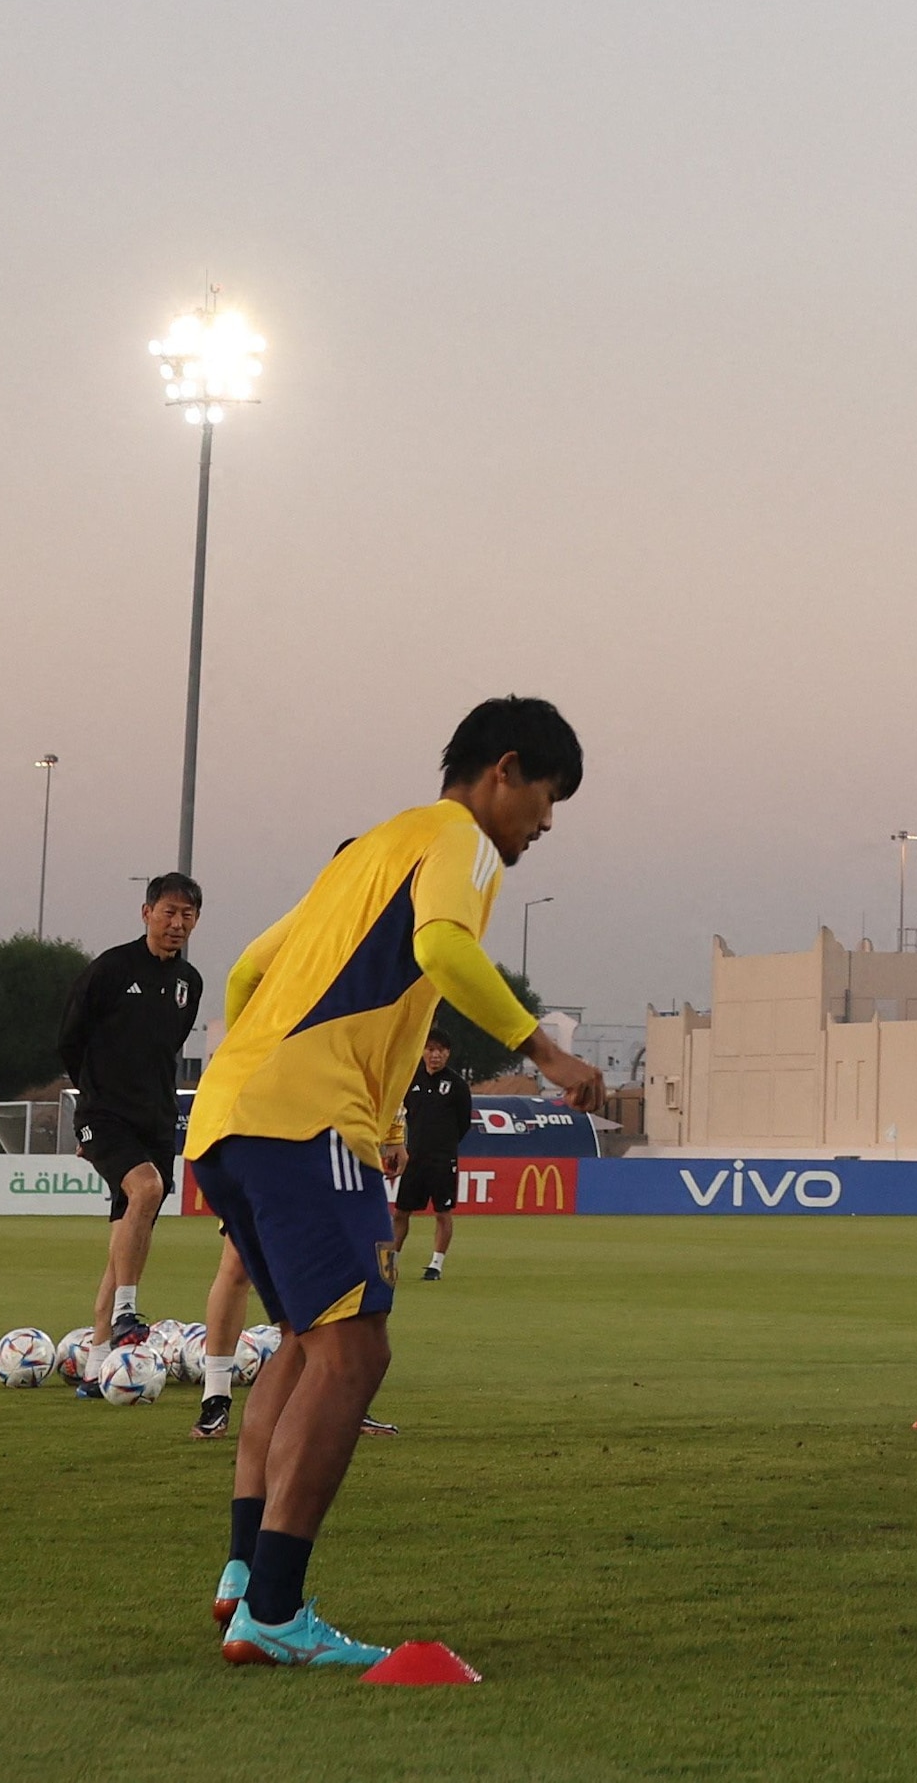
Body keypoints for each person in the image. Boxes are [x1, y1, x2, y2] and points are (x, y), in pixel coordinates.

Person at [185, 693, 582, 1669]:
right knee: (356, 1360)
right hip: (306, 1118)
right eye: (546, 796)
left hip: (229, 1114)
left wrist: (272, 1075)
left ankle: (243, 1580)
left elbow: (243, 972)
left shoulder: (370, 848)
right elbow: (446, 946)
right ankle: (275, 1612)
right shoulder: (460, 840)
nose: (544, 822)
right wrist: (545, 1053)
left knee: (306, 1348)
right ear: (505, 771)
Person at [60, 874, 206, 1366]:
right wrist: (91, 1106)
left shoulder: (190, 983)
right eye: (168, 912)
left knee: (128, 1228)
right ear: (146, 913)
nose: (176, 923)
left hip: (157, 1118)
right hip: (105, 1113)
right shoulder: (111, 969)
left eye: (187, 915)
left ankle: (100, 1359)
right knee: (146, 1191)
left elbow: (167, 1046)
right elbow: (70, 1039)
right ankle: (126, 1312)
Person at [397, 1032, 472, 1283]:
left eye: (440, 1050)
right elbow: (401, 1115)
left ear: (448, 1053)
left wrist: (445, 1146)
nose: (435, 1054)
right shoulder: (410, 1079)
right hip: (414, 1157)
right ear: (422, 1051)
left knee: (442, 1212)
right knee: (401, 1212)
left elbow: (464, 1123)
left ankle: (436, 1265)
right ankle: (390, 1263)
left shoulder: (457, 1085)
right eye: (430, 1049)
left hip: (442, 1159)